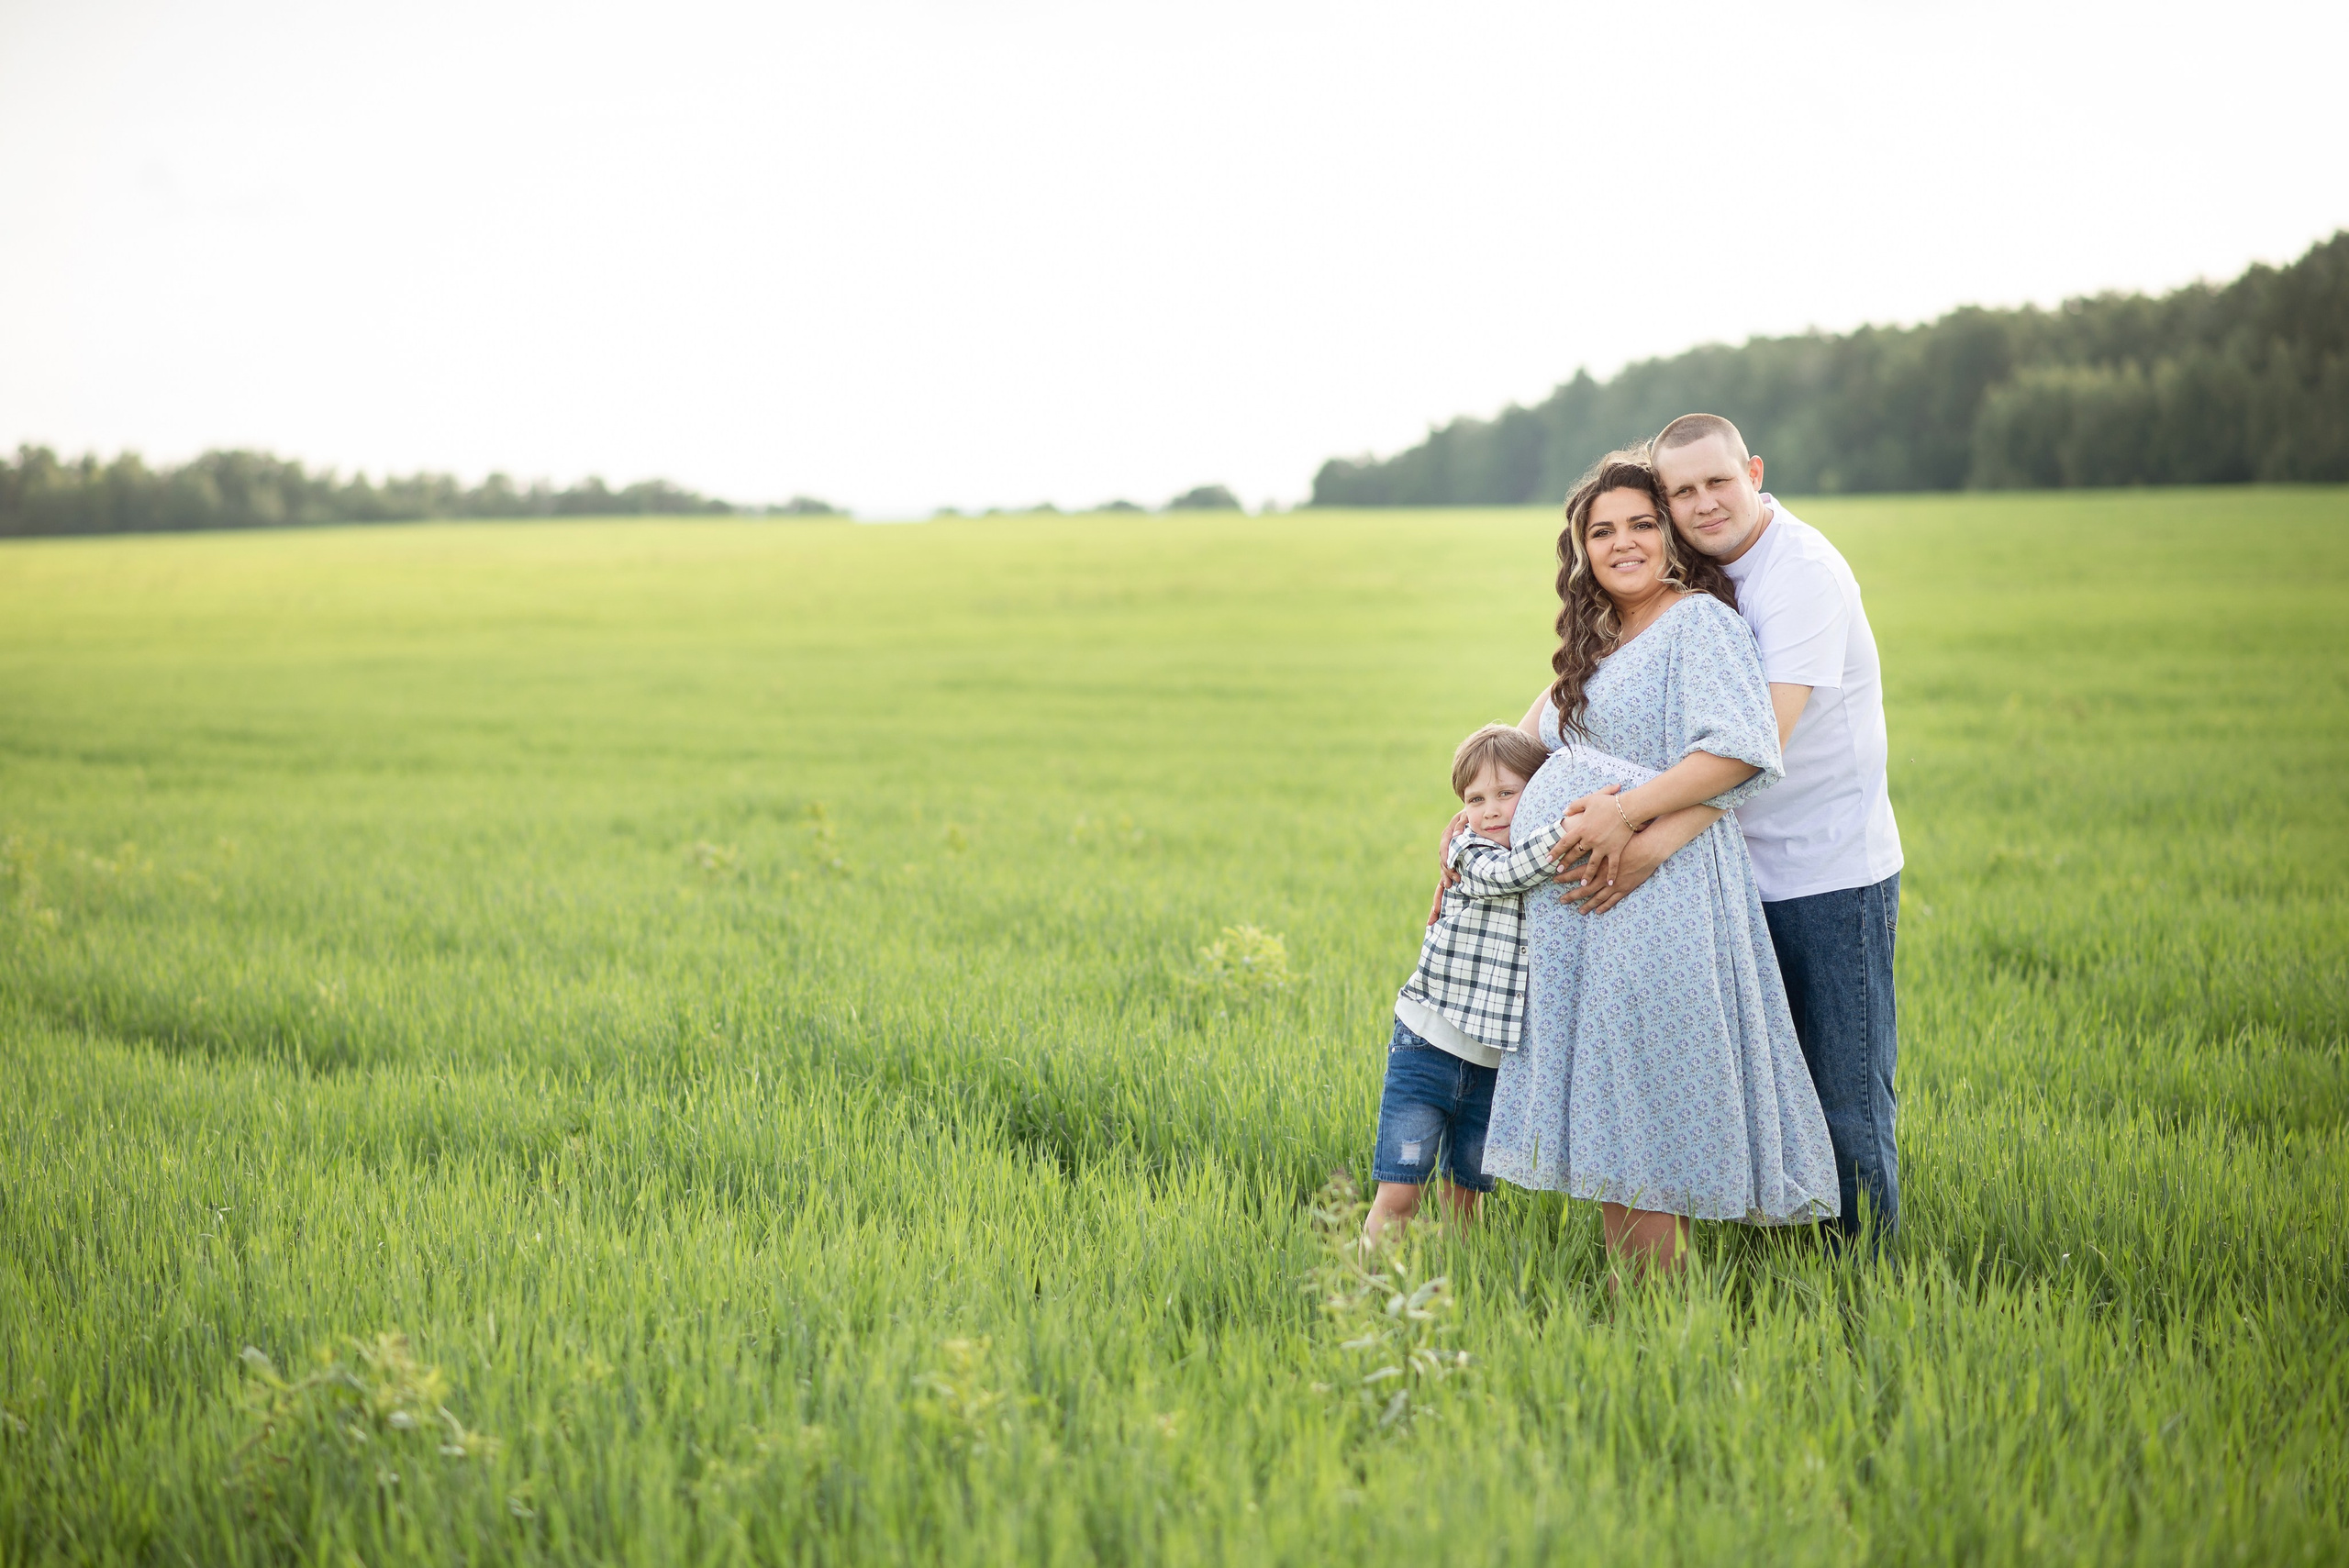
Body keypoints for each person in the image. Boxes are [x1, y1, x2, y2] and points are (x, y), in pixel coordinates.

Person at [1478, 452, 1839, 1277]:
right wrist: (1470, 817)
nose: (1623, 543)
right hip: (1588, 914)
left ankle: (1666, 1335)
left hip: (1657, 900)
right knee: (1614, 1117)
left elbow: (1740, 754)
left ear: (1672, 536)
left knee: (1641, 1120)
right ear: (1582, 550)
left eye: (1642, 523)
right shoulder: (1597, 640)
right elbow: (1526, 740)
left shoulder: (1698, 624)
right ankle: (1640, 1322)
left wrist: (1623, 811)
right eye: (1601, 531)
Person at [1646, 414, 1903, 1241]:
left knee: (1844, 1102)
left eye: (1718, 480)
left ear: (1753, 470)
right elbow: (1602, 681)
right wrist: (1495, 781)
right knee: (1763, 1093)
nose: (1704, 502)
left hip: (1830, 876)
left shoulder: (1800, 574)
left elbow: (1757, 750)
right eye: (1681, 491)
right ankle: (1780, 1268)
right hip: (1730, 873)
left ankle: (1867, 1284)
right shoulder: (1689, 573)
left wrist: (1632, 825)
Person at [1364, 725, 1575, 1240]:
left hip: (1493, 1067)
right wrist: (1577, 825)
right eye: (1475, 799)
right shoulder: (1469, 853)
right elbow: (1511, 874)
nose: (1491, 811)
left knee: (1467, 1198)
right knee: (1399, 1193)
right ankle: (1362, 1286)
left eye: (1508, 794)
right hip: (1427, 1049)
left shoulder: (1542, 868)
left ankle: (1464, 1286)